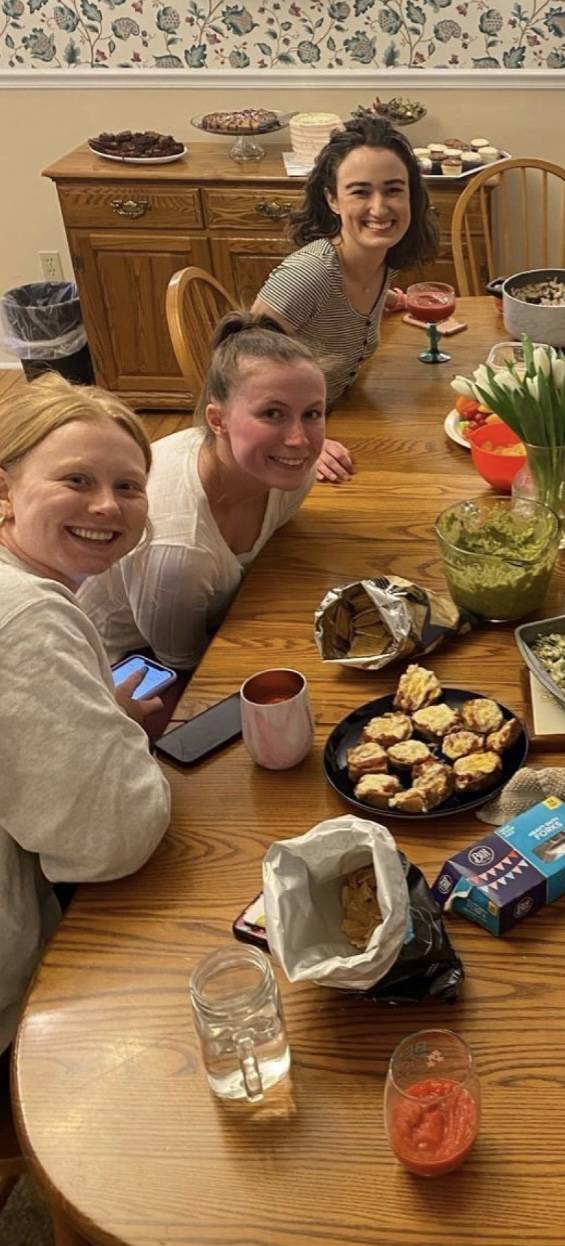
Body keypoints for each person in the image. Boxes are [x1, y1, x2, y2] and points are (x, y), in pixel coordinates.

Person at [0, 373, 171, 1056]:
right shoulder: (27, 617)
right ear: (4, 492)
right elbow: (115, 837)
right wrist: (120, 727)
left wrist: (96, 710)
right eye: (76, 480)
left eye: (128, 487)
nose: (106, 505)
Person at [78, 313, 327, 671]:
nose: (299, 440)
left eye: (312, 414)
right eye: (273, 413)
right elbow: (183, 664)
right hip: (127, 666)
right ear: (217, 420)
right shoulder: (178, 552)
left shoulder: (291, 474)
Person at [254, 116, 439, 483]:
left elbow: (337, 311)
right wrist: (304, 440)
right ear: (332, 199)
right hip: (275, 453)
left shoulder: (380, 262)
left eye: (393, 190)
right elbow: (239, 368)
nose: (379, 207)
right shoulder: (312, 274)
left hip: (340, 416)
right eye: (360, 191)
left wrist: (382, 300)